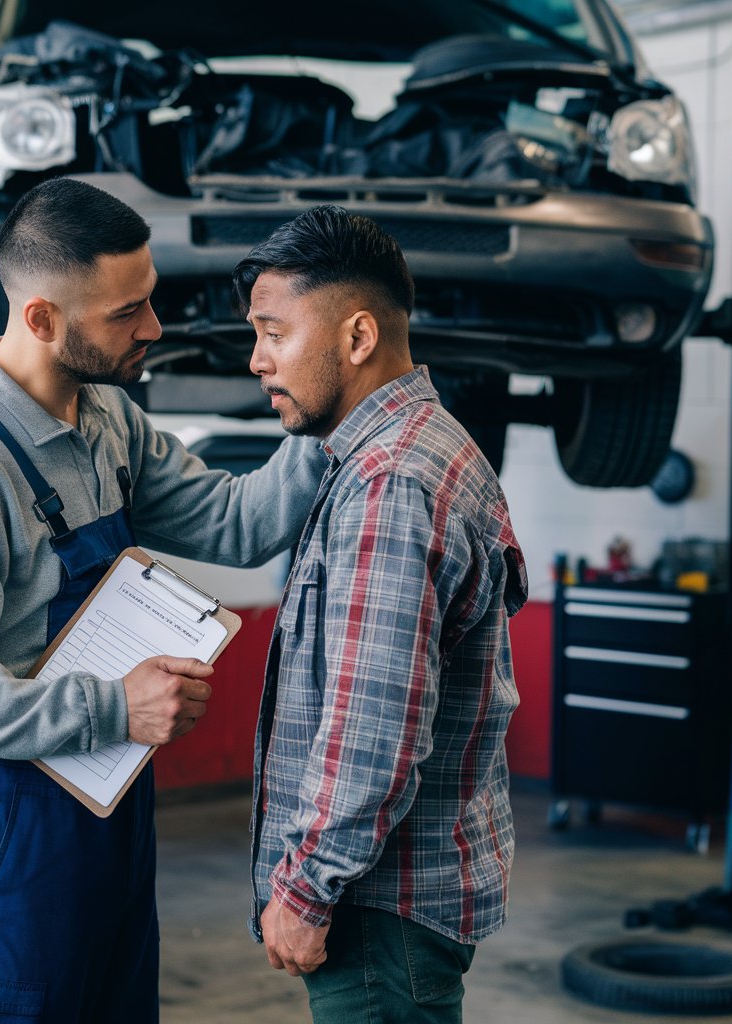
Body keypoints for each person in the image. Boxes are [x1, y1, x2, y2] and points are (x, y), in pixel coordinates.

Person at [0, 177, 327, 1024]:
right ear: (42, 319)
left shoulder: (108, 418)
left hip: (105, 802)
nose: (154, 329)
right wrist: (113, 707)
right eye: (127, 313)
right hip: (3, 825)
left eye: (149, 299)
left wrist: (329, 410)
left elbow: (235, 523)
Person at [233, 205, 528, 1023]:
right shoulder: (421, 448)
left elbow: (374, 724)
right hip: (398, 901)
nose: (257, 361)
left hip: (376, 910)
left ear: (358, 337)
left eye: (273, 333)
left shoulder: (390, 483)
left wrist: (304, 886)